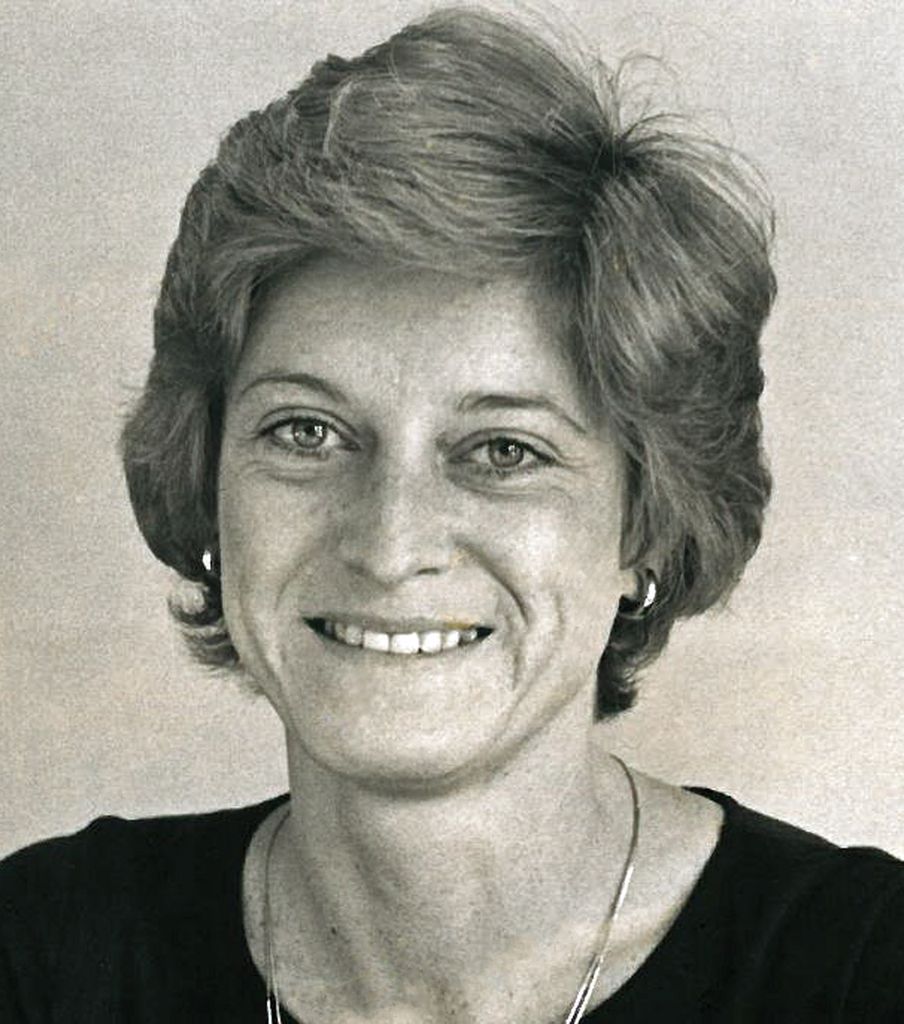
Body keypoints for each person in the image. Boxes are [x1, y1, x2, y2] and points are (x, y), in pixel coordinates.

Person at [1, 6, 902, 1022]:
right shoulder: (44, 956)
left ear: (648, 525)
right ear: (206, 483)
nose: (389, 545)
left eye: (503, 452)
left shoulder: (862, 973)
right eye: (306, 432)